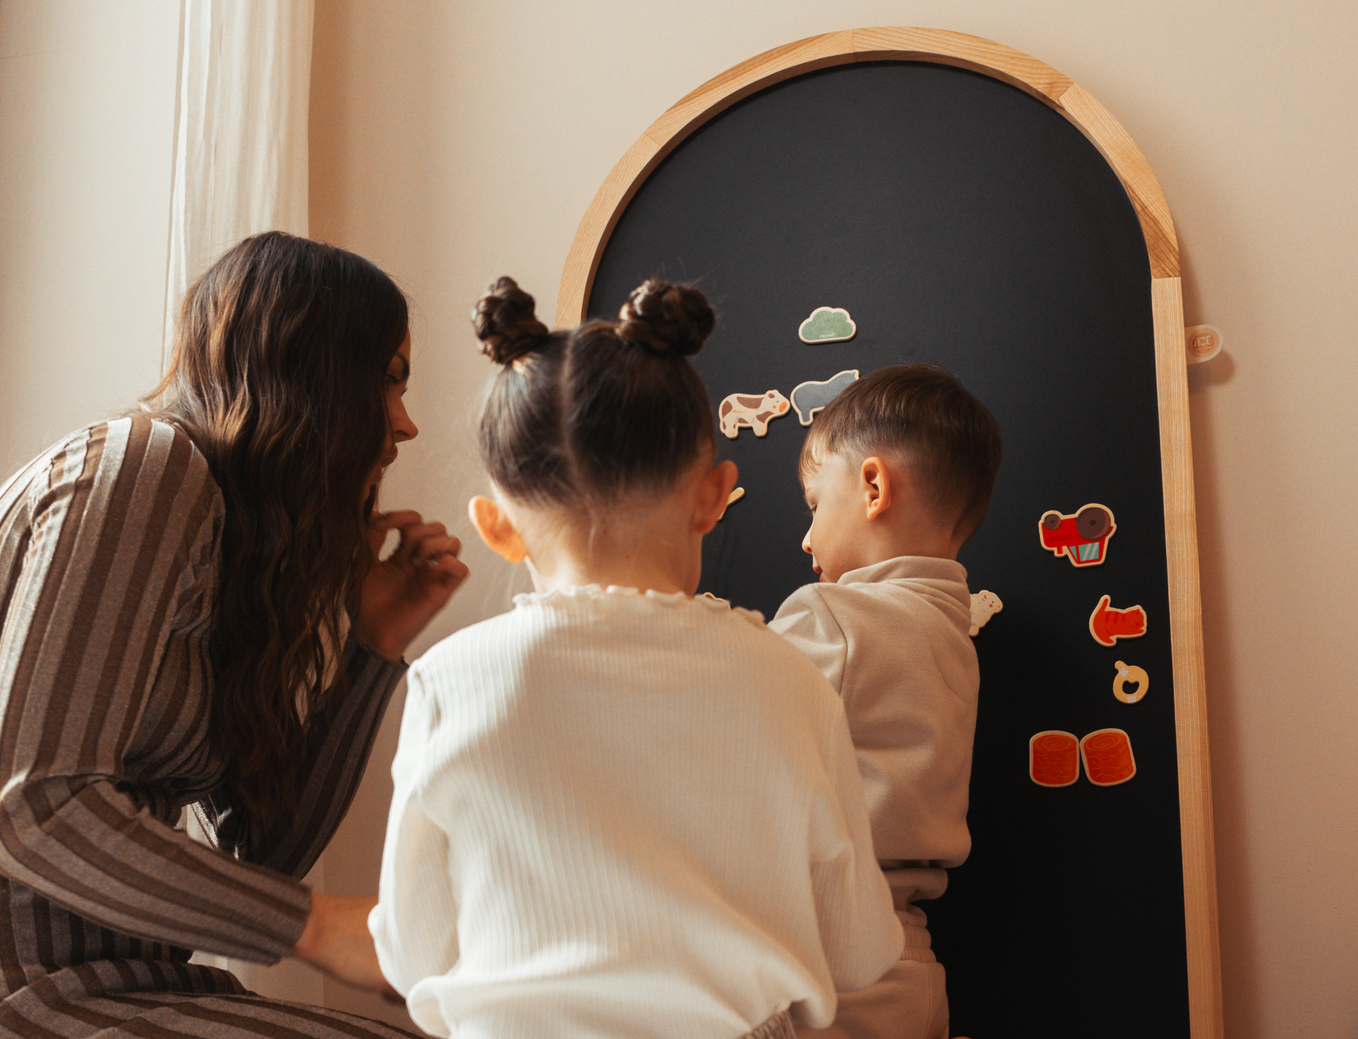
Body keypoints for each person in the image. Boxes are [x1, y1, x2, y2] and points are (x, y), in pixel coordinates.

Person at [368, 277, 903, 1039]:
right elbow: (856, 952)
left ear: (497, 526)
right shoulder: (790, 680)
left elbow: (412, 953)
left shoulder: (447, 683)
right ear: (714, 495)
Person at [0, 232, 469, 1037]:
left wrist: (368, 648)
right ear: (312, 378)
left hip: (124, 981)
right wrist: (323, 927)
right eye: (387, 383)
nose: (404, 425)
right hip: (33, 992)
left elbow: (256, 861)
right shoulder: (142, 469)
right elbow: (32, 804)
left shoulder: (223, 543)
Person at [768, 365, 1003, 1039]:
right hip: (909, 963)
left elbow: (727, 717)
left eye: (814, 504)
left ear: (873, 487)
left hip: (828, 958)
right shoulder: (953, 638)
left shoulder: (835, 619)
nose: (807, 539)